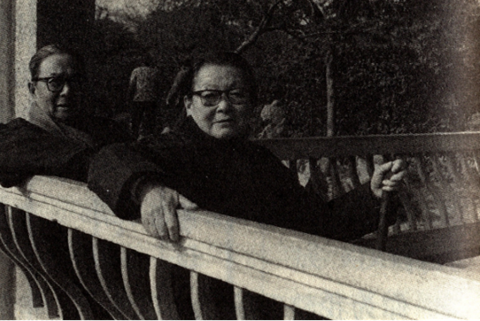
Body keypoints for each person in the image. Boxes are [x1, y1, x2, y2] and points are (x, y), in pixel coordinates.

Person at [88, 51, 405, 242]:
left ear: (251, 104)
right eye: (209, 97)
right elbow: (107, 157)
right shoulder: (170, 149)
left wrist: (372, 194)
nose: (224, 106)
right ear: (188, 104)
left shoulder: (260, 160)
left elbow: (317, 223)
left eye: (236, 96)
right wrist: (147, 189)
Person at [0, 44, 130, 188]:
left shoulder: (105, 129)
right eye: (54, 82)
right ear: (33, 90)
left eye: (75, 81)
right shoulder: (16, 138)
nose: (67, 91)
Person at [127, 57, 161, 138]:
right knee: (150, 119)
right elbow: (158, 86)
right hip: (151, 98)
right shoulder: (155, 72)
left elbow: (132, 85)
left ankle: (134, 136)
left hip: (138, 98)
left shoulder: (136, 71)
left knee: (136, 119)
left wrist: (129, 97)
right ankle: (150, 136)